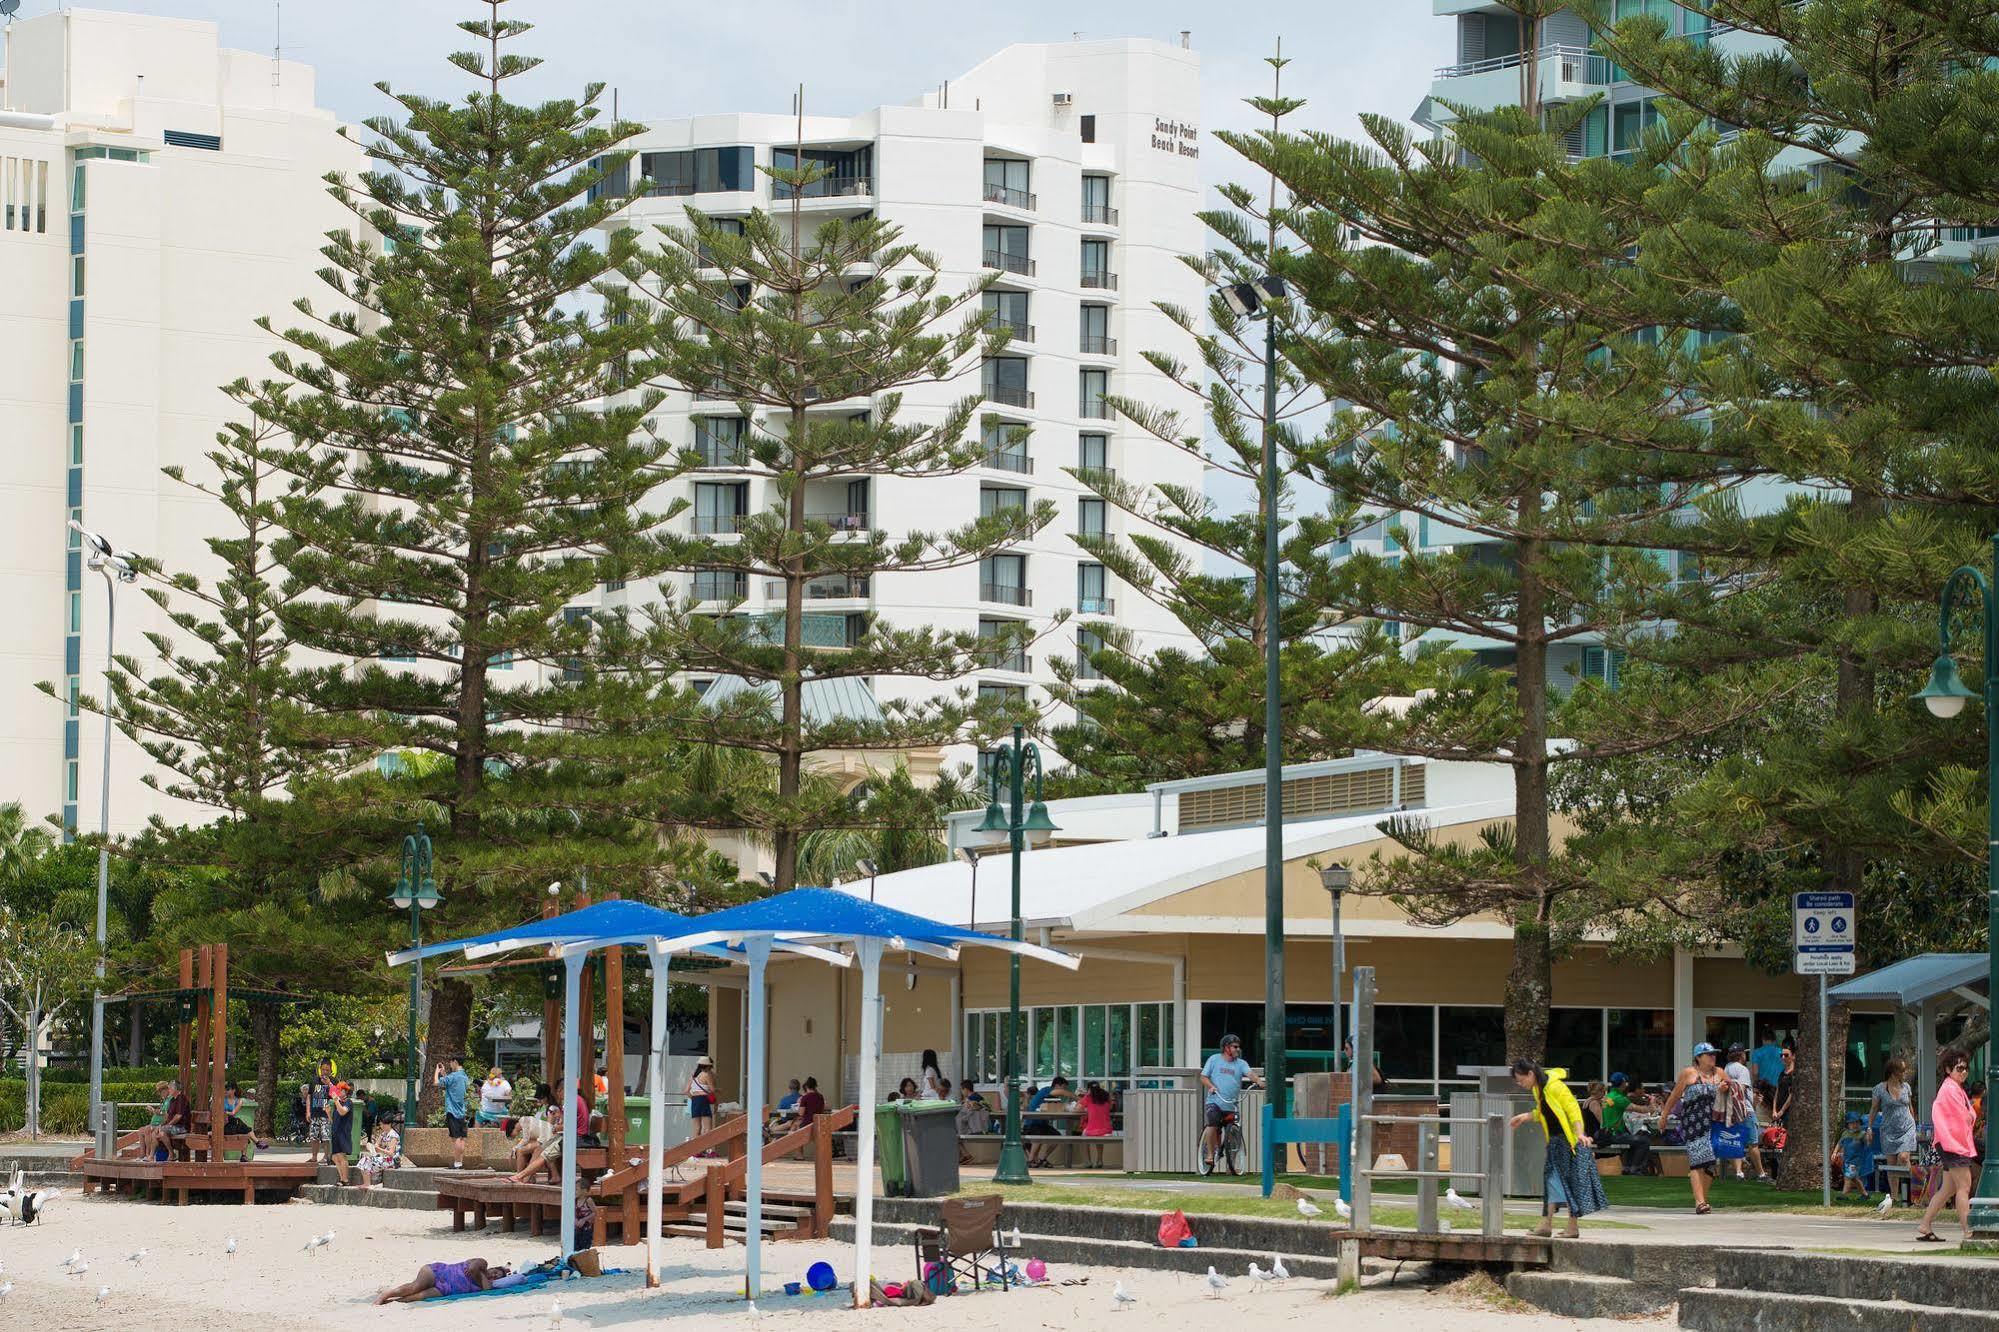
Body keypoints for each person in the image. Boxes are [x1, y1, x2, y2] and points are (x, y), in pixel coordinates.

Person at [1510, 1060, 1606, 1238]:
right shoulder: (1538, 1089)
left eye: (1520, 1080)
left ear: (1530, 1074)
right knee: (1553, 1181)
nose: (1519, 1084)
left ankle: (1566, 1226)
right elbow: (1545, 1112)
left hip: (1565, 1141)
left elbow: (1573, 1110)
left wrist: (1579, 1134)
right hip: (1555, 1141)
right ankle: (1548, 1224)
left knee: (1564, 1182)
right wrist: (1525, 1116)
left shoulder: (1555, 1087)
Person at [1918, 1050, 1979, 1242]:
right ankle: (1968, 1231)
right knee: (1964, 1187)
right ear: (1948, 1069)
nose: (1963, 1072)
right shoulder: (1951, 1090)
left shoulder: (1952, 1088)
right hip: (1954, 1144)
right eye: (1959, 1068)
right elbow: (1962, 1118)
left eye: (1966, 1069)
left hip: (1950, 1144)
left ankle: (1925, 1225)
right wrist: (1971, 1117)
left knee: (1948, 1189)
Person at [1660, 1043, 1727, 1214]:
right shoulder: (1689, 1073)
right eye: (1708, 1054)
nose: (1713, 1056)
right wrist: (1664, 1116)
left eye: (1714, 1053)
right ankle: (1699, 1202)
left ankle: (1703, 1199)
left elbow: (1734, 1090)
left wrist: (1727, 1088)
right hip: (1694, 1122)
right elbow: (1674, 1096)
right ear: (1698, 1057)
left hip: (1714, 1122)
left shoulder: (1719, 1073)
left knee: (1711, 1163)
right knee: (1697, 1161)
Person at [1200, 1035, 1261, 1172]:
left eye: (1238, 1047)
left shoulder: (1241, 1063)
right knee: (1213, 1124)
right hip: (1214, 1101)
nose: (1237, 1049)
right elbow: (1203, 1077)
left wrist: (1258, 1081)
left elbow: (1250, 1074)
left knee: (1233, 1132)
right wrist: (1211, 1086)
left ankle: (1231, 1164)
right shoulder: (1214, 1059)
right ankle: (1210, 1154)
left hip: (1232, 1104)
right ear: (1226, 1048)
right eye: (1235, 1047)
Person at [1722, 1045, 1773, 1182]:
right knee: (1753, 1144)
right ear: (1741, 1055)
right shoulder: (1742, 1069)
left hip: (1731, 1110)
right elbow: (1741, 1089)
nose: (1746, 1056)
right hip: (1745, 1111)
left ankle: (1739, 1173)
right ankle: (1761, 1174)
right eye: (1744, 1054)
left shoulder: (1726, 1068)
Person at [375, 1258, 515, 1303]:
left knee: (415, 1298)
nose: (494, 1275)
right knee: (414, 1287)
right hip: (439, 1272)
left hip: (446, 1289)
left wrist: (486, 1278)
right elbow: (473, 1268)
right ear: (492, 1268)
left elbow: (488, 1291)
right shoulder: (483, 1264)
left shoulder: (486, 1283)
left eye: (498, 1277)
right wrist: (483, 1275)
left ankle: (392, 1301)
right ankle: (386, 1294)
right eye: (495, 1272)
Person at [1871, 1057, 1918, 1178]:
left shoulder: (1906, 1087)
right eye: (1902, 1070)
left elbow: (1910, 1107)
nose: (1905, 1073)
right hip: (1889, 1131)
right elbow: (1874, 1109)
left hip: (1907, 1127)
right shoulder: (1879, 1089)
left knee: (1903, 1157)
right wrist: (1869, 1128)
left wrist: (1915, 1125)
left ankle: (1913, 1190)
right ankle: (1894, 1196)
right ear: (1893, 1072)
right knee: (1891, 1164)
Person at [1025, 1075, 1074, 1168]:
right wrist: (1075, 1097)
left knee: (1057, 1137)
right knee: (1037, 1137)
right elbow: (1062, 1094)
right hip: (1033, 1122)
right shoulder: (1046, 1090)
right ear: (1057, 1085)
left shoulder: (1053, 1097)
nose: (1063, 1090)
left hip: (1043, 1123)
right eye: (1063, 1087)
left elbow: (1057, 1108)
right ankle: (1030, 1160)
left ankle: (1042, 1158)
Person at [435, 1056, 471, 1169]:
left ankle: (457, 1163)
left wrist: (437, 1072)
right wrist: (445, 1074)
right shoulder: (464, 1076)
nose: (450, 1065)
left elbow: (436, 1083)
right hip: (462, 1111)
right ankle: (460, 1162)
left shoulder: (453, 1076)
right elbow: (451, 1085)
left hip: (452, 1111)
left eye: (451, 1063)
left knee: (455, 1138)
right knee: (462, 1138)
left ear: (455, 1062)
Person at [1837, 1111, 1877, 1196]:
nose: (1855, 1125)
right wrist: (1834, 1152)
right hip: (1847, 1160)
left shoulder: (1862, 1134)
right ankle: (1865, 1194)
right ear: (1848, 1125)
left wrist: (1869, 1137)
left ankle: (1844, 1195)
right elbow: (1840, 1143)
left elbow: (1868, 1143)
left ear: (1860, 1123)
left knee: (1848, 1177)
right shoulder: (1845, 1134)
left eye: (1857, 1123)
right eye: (1852, 1123)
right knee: (1854, 1179)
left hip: (1856, 1161)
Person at [305, 1058, 335, 1164]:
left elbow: (336, 1096)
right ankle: (314, 1157)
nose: (325, 1072)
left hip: (326, 1115)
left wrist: (329, 1083)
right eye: (323, 1069)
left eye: (327, 1070)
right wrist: (308, 1111)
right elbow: (309, 1096)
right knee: (314, 1136)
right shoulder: (314, 1080)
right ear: (320, 1069)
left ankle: (326, 1157)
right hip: (315, 1113)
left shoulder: (333, 1081)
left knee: (326, 1136)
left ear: (331, 1070)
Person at [357, 1118, 402, 1189]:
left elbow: (391, 1153)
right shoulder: (383, 1134)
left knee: (365, 1161)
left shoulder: (393, 1135)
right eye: (381, 1124)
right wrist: (372, 1147)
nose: (382, 1126)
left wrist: (379, 1149)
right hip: (384, 1158)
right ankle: (367, 1183)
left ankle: (367, 1184)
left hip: (392, 1160)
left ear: (389, 1124)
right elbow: (376, 1145)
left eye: (384, 1124)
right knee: (363, 1159)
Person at [1079, 1082, 1115, 1169]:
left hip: (1091, 1130)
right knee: (1099, 1137)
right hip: (1107, 1131)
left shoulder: (1088, 1097)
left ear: (1089, 1090)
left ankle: (1088, 1161)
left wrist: (1087, 1107)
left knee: (1083, 1137)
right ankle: (1099, 1160)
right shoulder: (1106, 1096)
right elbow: (1110, 1108)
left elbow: (1077, 1109)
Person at [329, 1080, 357, 1185]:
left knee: (341, 1156)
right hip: (335, 1132)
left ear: (345, 1091)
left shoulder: (348, 1102)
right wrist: (328, 1113)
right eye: (338, 1090)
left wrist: (335, 1100)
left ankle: (345, 1179)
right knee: (335, 1157)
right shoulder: (338, 1103)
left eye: (340, 1090)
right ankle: (342, 1179)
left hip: (343, 1133)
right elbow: (333, 1120)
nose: (338, 1092)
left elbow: (342, 1112)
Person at [1750, 1031, 1786, 1111]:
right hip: (1779, 1088)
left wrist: (1755, 1087)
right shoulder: (1782, 1052)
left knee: (1763, 1116)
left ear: (1763, 1039)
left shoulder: (1757, 1052)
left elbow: (1755, 1072)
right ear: (1775, 1040)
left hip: (1764, 1088)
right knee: (1778, 1113)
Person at [687, 1056, 716, 1142]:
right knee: (707, 1128)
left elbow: (686, 1091)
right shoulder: (706, 1074)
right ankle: (708, 1150)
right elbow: (712, 1090)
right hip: (704, 1100)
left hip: (695, 1100)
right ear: (707, 1066)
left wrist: (693, 1098)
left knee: (696, 1128)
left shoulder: (693, 1075)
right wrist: (718, 1090)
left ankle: (696, 1150)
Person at [1772, 1048, 1795, 1126]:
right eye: (1781, 1055)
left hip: (1788, 1112)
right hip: (1778, 1112)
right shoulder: (1782, 1073)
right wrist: (1774, 1110)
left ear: (1793, 1056)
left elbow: (1792, 1094)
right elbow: (1777, 1092)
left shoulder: (1794, 1073)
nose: (1783, 1058)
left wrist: (1782, 1111)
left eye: (1786, 1055)